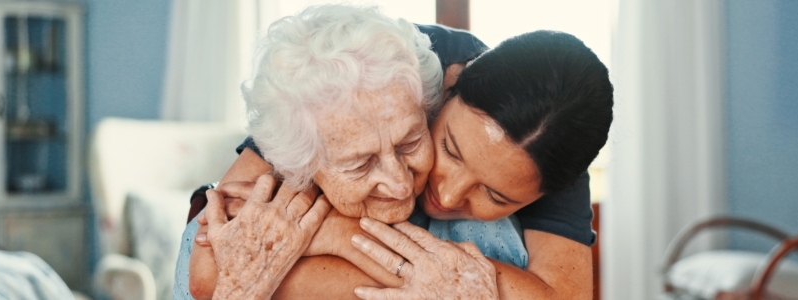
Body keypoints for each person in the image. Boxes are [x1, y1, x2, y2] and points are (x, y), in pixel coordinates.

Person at [180, 4, 614, 300]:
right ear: (446, 87)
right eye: (451, 150)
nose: (446, 195)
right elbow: (210, 268)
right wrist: (339, 237)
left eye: (496, 196)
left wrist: (328, 240)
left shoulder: (557, 138)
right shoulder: (374, 65)